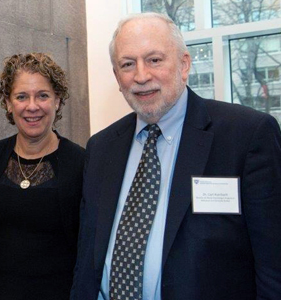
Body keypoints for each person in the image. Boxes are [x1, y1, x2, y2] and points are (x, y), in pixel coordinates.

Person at [70, 12, 281, 300]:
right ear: (117, 77)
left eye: (154, 60)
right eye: (128, 64)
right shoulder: (101, 147)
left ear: (184, 64)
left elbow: (273, 264)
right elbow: (87, 258)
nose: (141, 76)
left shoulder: (246, 135)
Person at [0, 53, 85, 300]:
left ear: (57, 101)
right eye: (21, 96)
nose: (32, 106)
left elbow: (88, 249)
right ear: (8, 103)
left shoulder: (81, 163)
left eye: (43, 95)